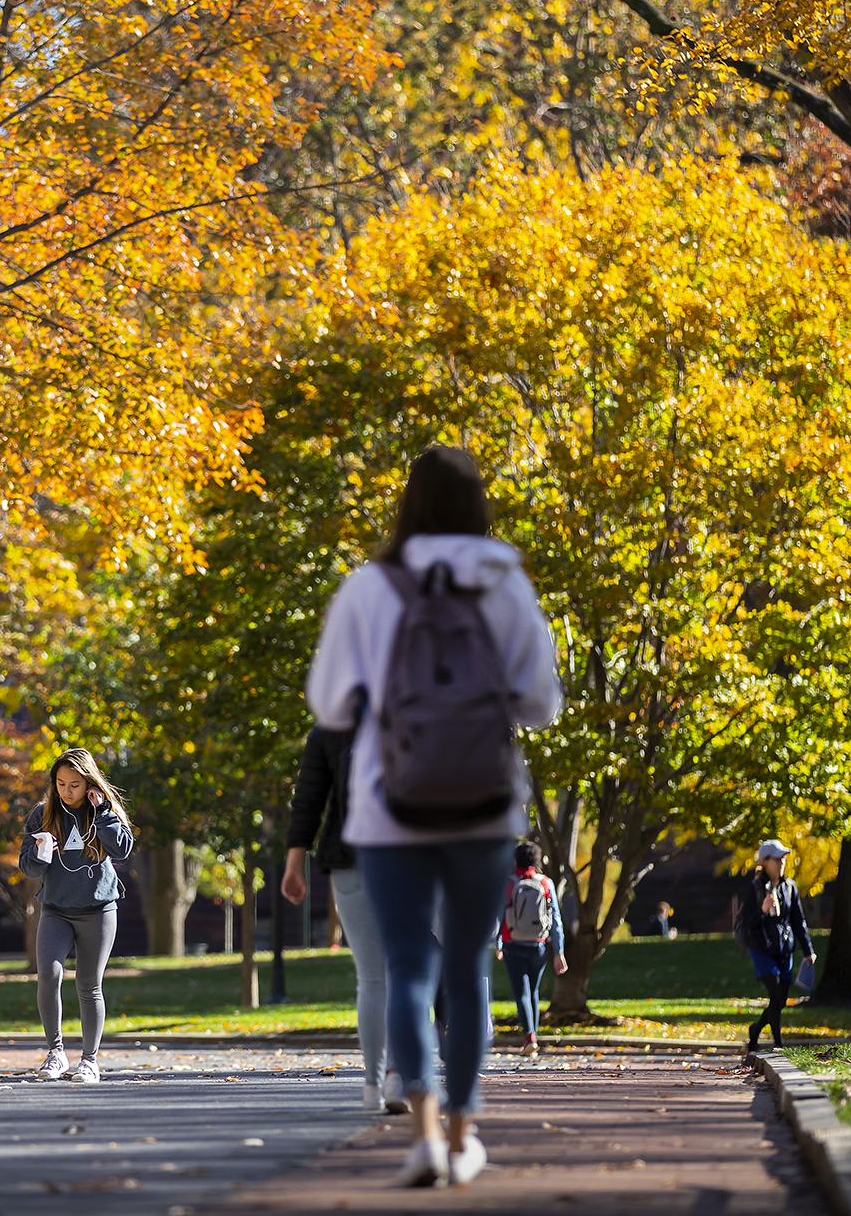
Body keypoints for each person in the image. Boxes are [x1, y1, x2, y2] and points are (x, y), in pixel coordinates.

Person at [306, 445, 563, 1188]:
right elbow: (542, 704)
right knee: (468, 970)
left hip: (390, 809)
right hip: (484, 808)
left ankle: (419, 1131)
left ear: (407, 505)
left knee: (409, 969)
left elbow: (327, 703)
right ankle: (461, 1133)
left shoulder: (369, 586)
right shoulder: (504, 581)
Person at [283, 724, 402, 1112]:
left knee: (371, 977)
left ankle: (372, 1086)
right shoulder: (420, 703)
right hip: (410, 852)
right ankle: (398, 1077)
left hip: (349, 853)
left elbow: (309, 799)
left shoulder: (332, 727)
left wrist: (294, 863)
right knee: (406, 969)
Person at [20, 748, 135, 1084]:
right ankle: (56, 1053)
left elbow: (122, 849)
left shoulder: (104, 812)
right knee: (49, 975)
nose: (67, 791)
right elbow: (26, 866)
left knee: (88, 985)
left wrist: (101, 812)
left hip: (98, 910)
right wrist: (41, 855)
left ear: (89, 783)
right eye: (60, 783)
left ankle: (89, 1061)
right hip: (55, 910)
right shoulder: (42, 816)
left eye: (74, 784)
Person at [738, 839, 813, 1053]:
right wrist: (762, 909)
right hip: (761, 948)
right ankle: (779, 1044)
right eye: (777, 858)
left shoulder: (790, 887)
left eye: (784, 858)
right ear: (764, 861)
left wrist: (808, 950)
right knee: (776, 992)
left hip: (784, 949)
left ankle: (756, 1029)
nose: (782, 862)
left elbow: (798, 920)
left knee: (780, 1000)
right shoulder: (754, 888)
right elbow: (747, 922)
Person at [494, 841, 565, 1059]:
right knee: (533, 991)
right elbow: (556, 920)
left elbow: (498, 916)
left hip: (512, 943)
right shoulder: (546, 883)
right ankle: (532, 1036)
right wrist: (558, 951)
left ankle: (529, 1037)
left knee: (522, 992)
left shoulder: (507, 883)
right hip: (539, 945)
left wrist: (497, 944)